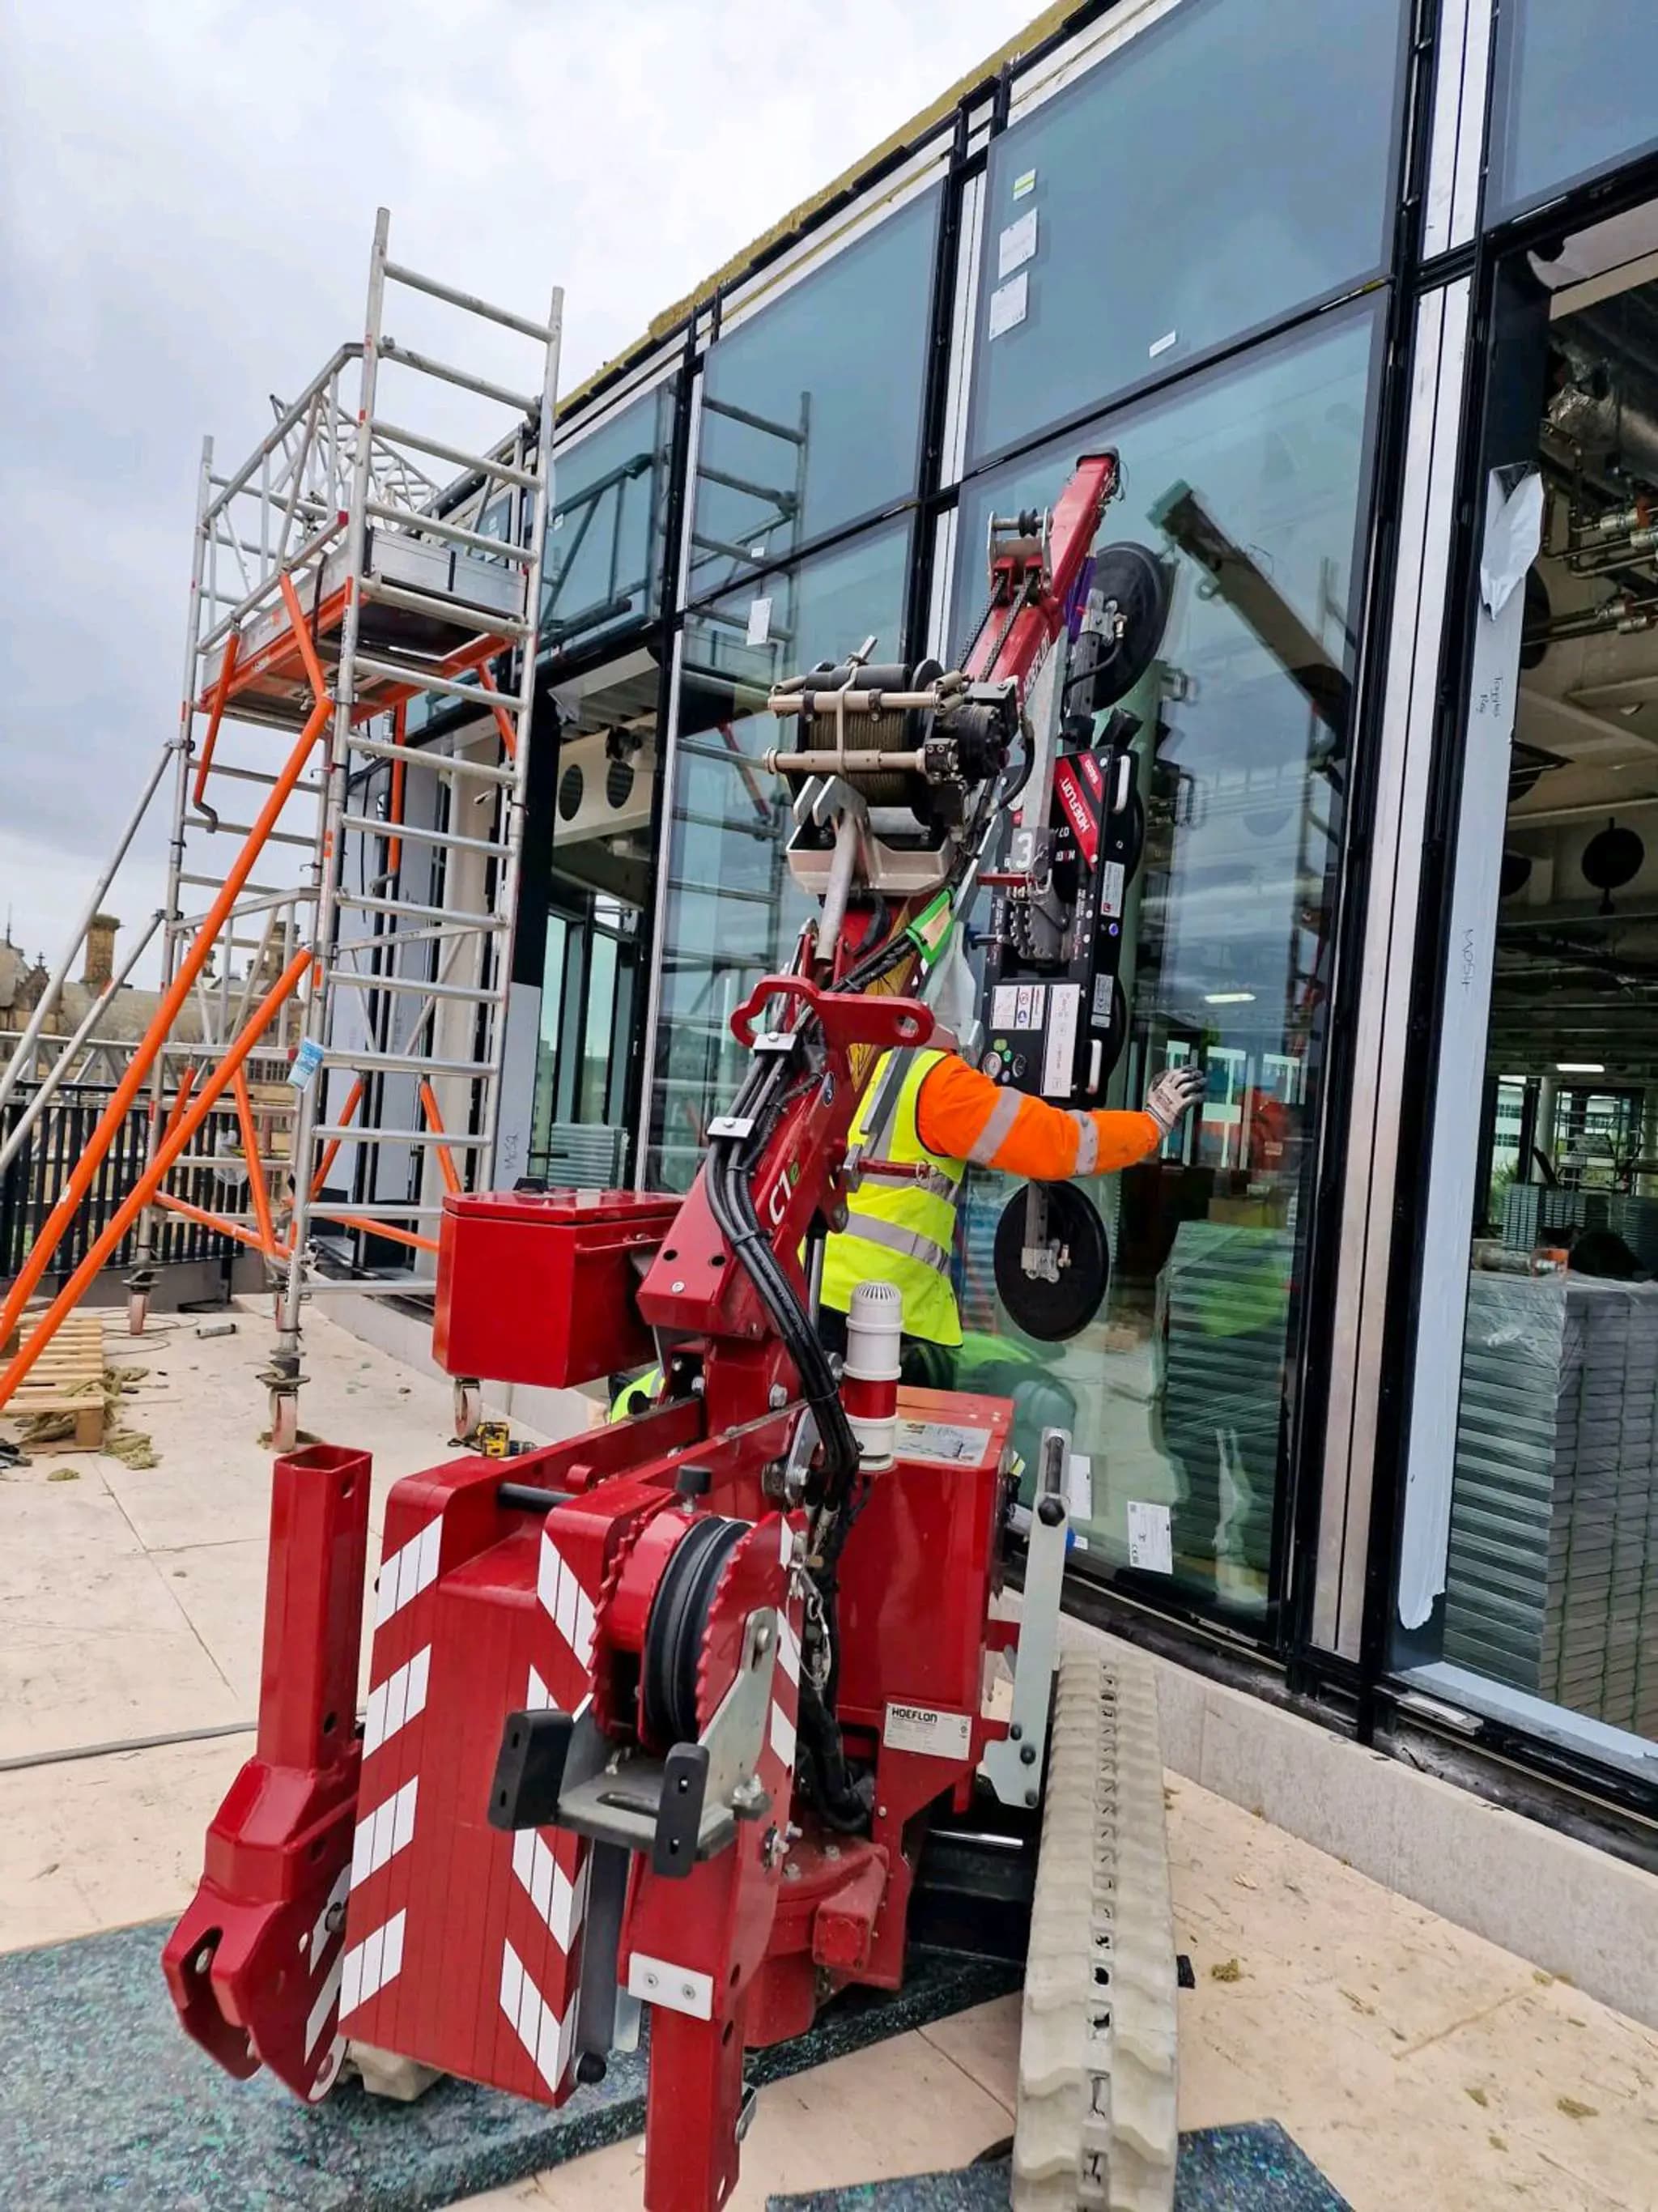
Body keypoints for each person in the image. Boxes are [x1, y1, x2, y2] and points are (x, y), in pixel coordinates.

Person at [817, 1044, 1206, 1364]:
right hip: (886, 1328)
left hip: (810, 1300)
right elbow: (1053, 1142)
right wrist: (1150, 1124)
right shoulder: (933, 1079)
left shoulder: (842, 1064)